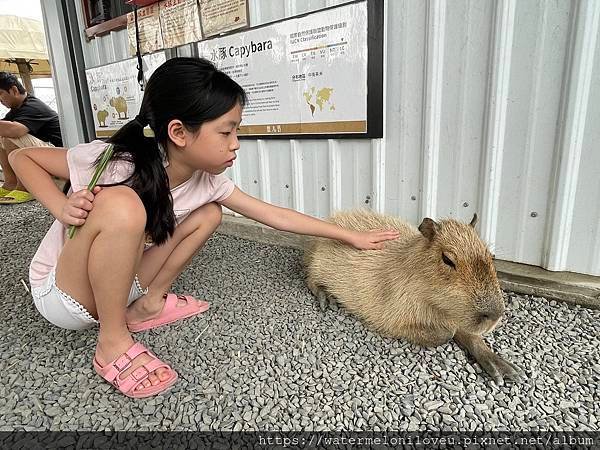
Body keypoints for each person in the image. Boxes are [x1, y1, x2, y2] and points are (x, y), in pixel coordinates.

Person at [10, 57, 399, 398]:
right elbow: (24, 157)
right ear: (179, 133)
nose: (236, 144)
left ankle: (147, 305)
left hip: (114, 281)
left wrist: (350, 235)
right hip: (64, 293)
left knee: (210, 213)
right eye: (226, 131)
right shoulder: (116, 160)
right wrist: (61, 207)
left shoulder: (207, 181)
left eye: (237, 131)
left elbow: (273, 215)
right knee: (123, 204)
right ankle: (112, 341)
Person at [0, 72, 63, 204]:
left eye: (0, 94)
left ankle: (25, 187)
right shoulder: (16, 110)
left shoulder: (33, 106)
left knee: (10, 137)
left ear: (14, 90)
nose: (0, 101)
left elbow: (15, 131)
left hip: (59, 156)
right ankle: (10, 183)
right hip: (46, 154)